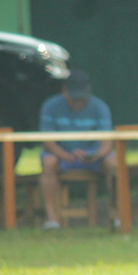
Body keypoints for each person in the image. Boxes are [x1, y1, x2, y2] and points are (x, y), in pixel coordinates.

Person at [38, 69, 116, 230]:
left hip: (92, 156)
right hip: (61, 155)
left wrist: (96, 155)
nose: (78, 102)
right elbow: (47, 141)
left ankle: (117, 215)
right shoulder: (50, 106)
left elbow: (107, 142)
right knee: (48, 162)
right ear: (64, 91)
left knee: (114, 163)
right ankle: (51, 219)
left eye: (82, 98)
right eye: (74, 98)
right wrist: (65, 155)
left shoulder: (100, 107)